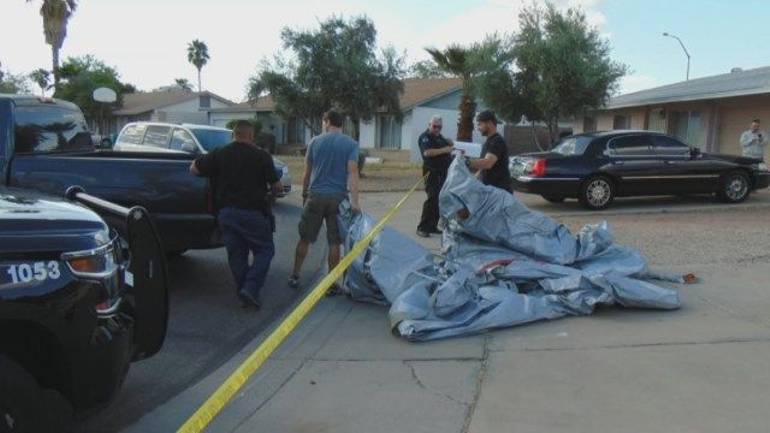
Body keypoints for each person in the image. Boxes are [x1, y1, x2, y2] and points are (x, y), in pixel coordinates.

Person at [189, 120, 281, 309]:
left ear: (234, 135)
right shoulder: (261, 156)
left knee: (237, 254)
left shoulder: (219, 153)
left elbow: (194, 169)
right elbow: (277, 186)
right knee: (265, 250)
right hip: (254, 213)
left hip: (226, 214)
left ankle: (244, 291)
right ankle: (251, 288)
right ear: (251, 136)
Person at [288, 110, 360, 293]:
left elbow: (307, 172)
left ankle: (295, 275)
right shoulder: (351, 144)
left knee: (305, 238)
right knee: (334, 242)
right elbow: (353, 173)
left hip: (316, 196)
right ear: (341, 123)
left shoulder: (315, 142)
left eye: (323, 122)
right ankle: (330, 284)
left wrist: (304, 194)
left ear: (327, 122)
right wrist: (355, 202)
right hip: (338, 198)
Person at [416, 115, 454, 238]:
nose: (437, 129)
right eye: (435, 126)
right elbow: (427, 152)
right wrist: (444, 150)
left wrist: (450, 143)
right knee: (432, 199)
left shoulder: (440, 137)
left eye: (439, 127)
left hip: (442, 173)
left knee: (439, 199)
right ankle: (422, 227)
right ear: (429, 125)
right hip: (431, 173)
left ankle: (432, 226)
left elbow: (450, 147)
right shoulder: (425, 137)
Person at [468, 110, 512, 192]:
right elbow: (483, 169)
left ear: (489, 123)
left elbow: (487, 163)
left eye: (480, 124)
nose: (478, 128)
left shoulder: (497, 141)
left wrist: (466, 162)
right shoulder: (489, 142)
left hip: (499, 192)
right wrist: (471, 181)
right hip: (491, 191)